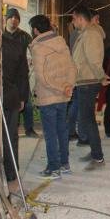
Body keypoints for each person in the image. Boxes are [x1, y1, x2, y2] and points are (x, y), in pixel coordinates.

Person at [28, 14, 76, 179]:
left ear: (35, 30)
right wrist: (68, 86)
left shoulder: (38, 48)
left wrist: (62, 88)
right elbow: (72, 67)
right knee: (62, 130)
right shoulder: (61, 42)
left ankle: (53, 168)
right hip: (63, 97)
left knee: (50, 134)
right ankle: (64, 164)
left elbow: (42, 78)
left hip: (48, 97)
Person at [71, 6, 110, 171]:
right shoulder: (86, 33)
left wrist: (101, 77)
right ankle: (95, 151)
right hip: (84, 81)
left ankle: (98, 158)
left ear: (80, 18)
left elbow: (94, 60)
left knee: (88, 120)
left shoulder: (91, 34)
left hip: (88, 82)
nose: (73, 22)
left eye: (74, 19)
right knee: (88, 120)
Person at [1, 31, 29, 192]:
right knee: (10, 136)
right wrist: (22, 97)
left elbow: (22, 74)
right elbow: (23, 75)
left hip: (5, 96)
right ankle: (11, 172)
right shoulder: (16, 46)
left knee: (6, 136)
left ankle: (8, 171)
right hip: (12, 96)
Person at [3, 8, 38, 138]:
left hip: (21, 75)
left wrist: (32, 61)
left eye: (16, 18)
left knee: (27, 104)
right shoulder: (0, 35)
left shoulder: (24, 36)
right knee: (9, 106)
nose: (14, 20)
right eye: (11, 17)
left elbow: (34, 50)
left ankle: (29, 129)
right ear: (6, 19)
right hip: (6, 76)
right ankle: (10, 130)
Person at [66, 22, 81, 141]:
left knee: (75, 103)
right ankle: (71, 131)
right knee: (76, 103)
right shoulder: (78, 34)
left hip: (75, 72)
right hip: (78, 73)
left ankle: (71, 130)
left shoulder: (74, 33)